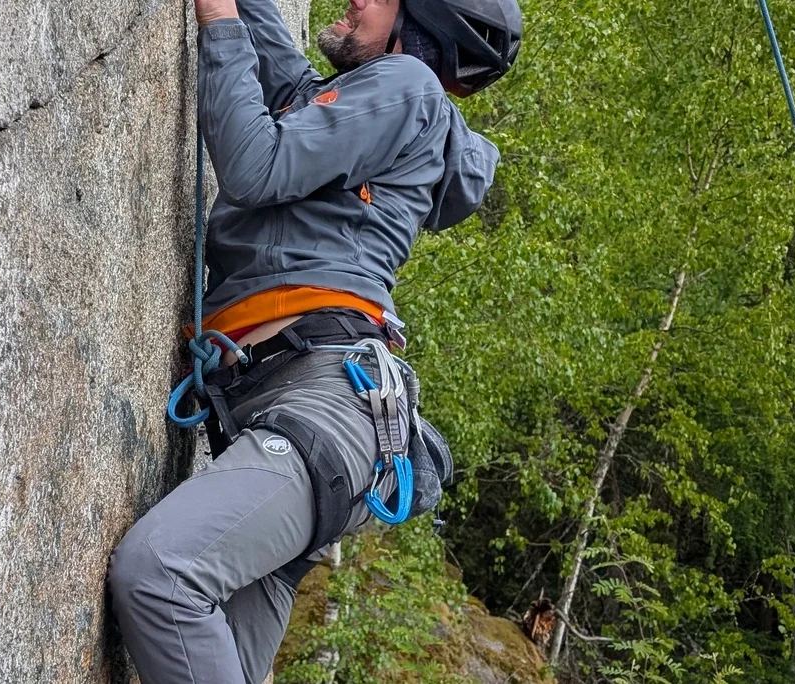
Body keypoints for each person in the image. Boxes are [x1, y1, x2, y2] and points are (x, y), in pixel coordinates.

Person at [107, 0, 520, 680]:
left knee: (161, 571)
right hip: (320, 414)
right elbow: (291, 87)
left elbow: (257, 164)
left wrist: (216, 17)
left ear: (423, 25)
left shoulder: (407, 85)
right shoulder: (385, 107)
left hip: (323, 405)